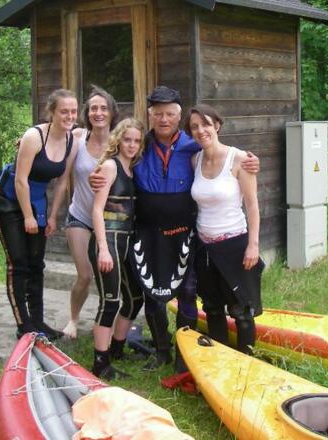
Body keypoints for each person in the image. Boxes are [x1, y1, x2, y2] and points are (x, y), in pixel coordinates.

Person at [90, 86, 259, 371]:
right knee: (153, 296)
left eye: (170, 114)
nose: (164, 119)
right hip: (147, 233)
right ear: (150, 115)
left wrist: (251, 160)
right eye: (158, 114)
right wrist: (95, 176)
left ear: (178, 116)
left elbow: (222, 154)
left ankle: (186, 351)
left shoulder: (193, 146)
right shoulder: (139, 146)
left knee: (188, 292)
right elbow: (110, 162)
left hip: (185, 232)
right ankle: (161, 350)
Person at [0, 88, 79, 340]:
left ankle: (38, 321)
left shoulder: (72, 138)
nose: (69, 116)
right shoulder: (34, 136)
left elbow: (62, 183)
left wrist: (51, 216)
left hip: (37, 203)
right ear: (51, 112)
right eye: (64, 111)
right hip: (9, 202)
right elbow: (20, 180)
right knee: (18, 264)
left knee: (36, 264)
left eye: (73, 111)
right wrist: (28, 216)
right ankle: (24, 325)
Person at [187, 104, 263, 354]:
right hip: (205, 246)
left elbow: (252, 205)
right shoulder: (195, 160)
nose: (201, 130)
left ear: (217, 125)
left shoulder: (240, 159)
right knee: (212, 308)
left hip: (235, 243)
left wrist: (253, 245)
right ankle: (220, 357)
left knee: (241, 310)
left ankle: (247, 359)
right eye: (195, 127)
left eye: (206, 124)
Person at [89, 118, 146, 378]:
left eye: (136, 140)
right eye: (127, 139)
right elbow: (97, 210)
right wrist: (102, 248)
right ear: (118, 140)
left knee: (134, 299)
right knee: (110, 301)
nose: (132, 145)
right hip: (109, 240)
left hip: (126, 241)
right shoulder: (110, 166)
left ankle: (117, 349)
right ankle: (100, 363)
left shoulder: (133, 168)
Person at [62, 86, 119, 339]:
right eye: (94, 108)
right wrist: (25, 140)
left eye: (103, 108)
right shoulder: (77, 137)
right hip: (80, 216)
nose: (98, 112)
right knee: (84, 274)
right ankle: (73, 320)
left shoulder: (120, 141)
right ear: (87, 113)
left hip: (109, 220)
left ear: (111, 112)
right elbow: (49, 133)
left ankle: (105, 320)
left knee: (108, 275)